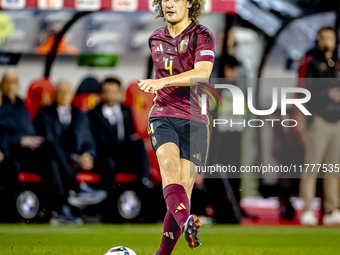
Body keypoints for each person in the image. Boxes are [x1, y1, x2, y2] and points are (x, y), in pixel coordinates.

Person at [137, 0, 215, 253]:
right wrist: (160, 88)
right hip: (163, 115)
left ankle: (164, 251)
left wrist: (160, 83)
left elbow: (202, 73)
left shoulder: (202, 35)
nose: (169, 3)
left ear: (190, 3)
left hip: (196, 120)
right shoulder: (155, 38)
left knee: (184, 186)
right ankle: (187, 224)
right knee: (169, 168)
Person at [35, 81, 111, 225]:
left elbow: (89, 140)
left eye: (67, 92)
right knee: (52, 160)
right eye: (60, 92)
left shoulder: (80, 115)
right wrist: (72, 158)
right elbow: (49, 141)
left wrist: (89, 155)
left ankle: (63, 211)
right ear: (55, 95)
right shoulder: (45, 113)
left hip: (72, 160)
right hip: (50, 157)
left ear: (72, 96)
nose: (64, 95)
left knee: (108, 164)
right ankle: (76, 190)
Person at [299, 26, 340, 226]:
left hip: (337, 120)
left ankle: (332, 209)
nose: (327, 42)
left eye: (330, 38)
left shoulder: (337, 63)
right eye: (323, 38)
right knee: (312, 166)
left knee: (334, 167)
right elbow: (305, 92)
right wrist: (327, 95)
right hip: (319, 119)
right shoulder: (312, 61)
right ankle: (307, 209)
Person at [88, 77, 150, 186]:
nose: (110, 95)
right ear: (102, 93)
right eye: (107, 92)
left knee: (140, 146)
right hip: (107, 152)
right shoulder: (94, 113)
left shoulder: (126, 110)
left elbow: (131, 133)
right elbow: (102, 142)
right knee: (138, 144)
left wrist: (131, 140)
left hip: (124, 154)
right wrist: (130, 141)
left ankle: (144, 182)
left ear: (119, 93)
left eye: (113, 92)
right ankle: (144, 181)